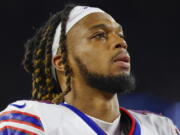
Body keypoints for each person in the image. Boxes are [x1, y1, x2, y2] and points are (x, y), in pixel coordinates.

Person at [0, 4, 179, 135]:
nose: (121, 42)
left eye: (120, 35)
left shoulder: (162, 128)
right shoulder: (33, 120)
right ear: (62, 62)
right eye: (99, 35)